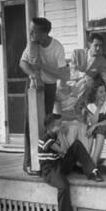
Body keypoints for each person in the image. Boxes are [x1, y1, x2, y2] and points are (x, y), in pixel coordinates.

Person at [38, 114, 104, 211]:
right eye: (60, 124)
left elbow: (64, 152)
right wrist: (62, 137)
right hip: (49, 170)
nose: (62, 126)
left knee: (77, 145)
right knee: (63, 186)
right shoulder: (46, 138)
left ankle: (93, 171)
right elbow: (62, 150)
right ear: (53, 127)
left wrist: (62, 138)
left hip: (59, 164)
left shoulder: (55, 134)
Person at [19, 17, 69, 176]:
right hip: (34, 85)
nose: (30, 33)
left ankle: (42, 160)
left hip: (49, 87)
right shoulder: (32, 44)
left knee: (44, 124)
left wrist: (44, 66)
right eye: (30, 30)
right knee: (30, 123)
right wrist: (34, 74)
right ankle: (28, 163)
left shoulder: (57, 48)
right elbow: (23, 63)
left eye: (34, 31)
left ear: (44, 33)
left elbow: (63, 74)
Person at [70, 32, 106, 101]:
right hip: (70, 87)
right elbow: (72, 72)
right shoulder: (76, 53)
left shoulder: (102, 61)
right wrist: (84, 76)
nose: (98, 48)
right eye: (96, 45)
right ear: (89, 44)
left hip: (86, 92)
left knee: (90, 83)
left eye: (100, 45)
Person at [84, 77, 106, 164]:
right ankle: (86, 159)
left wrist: (94, 126)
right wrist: (98, 108)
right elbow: (93, 122)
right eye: (101, 92)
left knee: (99, 130)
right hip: (97, 126)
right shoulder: (90, 106)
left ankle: (94, 160)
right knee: (89, 132)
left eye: (104, 91)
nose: (104, 94)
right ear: (95, 94)